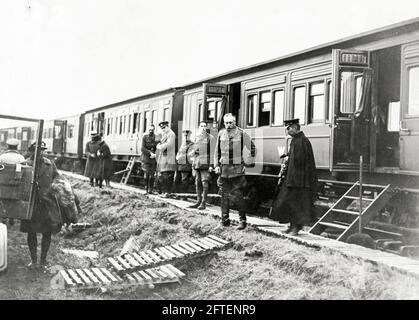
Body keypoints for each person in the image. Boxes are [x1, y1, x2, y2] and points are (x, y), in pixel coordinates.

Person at [269, 118, 318, 236]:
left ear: (295, 128)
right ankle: (292, 226)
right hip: (293, 178)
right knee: (290, 202)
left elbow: (299, 161)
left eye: (289, 128)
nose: (287, 131)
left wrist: (287, 159)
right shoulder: (297, 140)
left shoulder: (301, 141)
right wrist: (286, 156)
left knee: (297, 203)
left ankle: (296, 228)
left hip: (299, 180)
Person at [20, 141, 62, 271]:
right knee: (31, 233)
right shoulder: (25, 164)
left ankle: (43, 260)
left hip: (46, 204)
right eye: (38, 150)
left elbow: (57, 178)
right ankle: (33, 260)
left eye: (43, 150)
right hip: (32, 205)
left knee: (47, 233)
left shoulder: (50, 164)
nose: (41, 153)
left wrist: (55, 186)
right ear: (32, 151)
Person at [214, 113, 256, 230]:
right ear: (224, 123)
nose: (228, 125)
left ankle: (242, 221)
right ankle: (224, 221)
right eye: (226, 123)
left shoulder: (241, 133)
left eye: (231, 122)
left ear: (235, 122)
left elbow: (253, 148)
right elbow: (216, 152)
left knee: (238, 196)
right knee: (223, 195)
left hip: (237, 170)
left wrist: (247, 163)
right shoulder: (221, 133)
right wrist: (216, 165)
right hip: (223, 170)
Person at [189, 121, 215, 210]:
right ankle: (198, 201)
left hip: (205, 162)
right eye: (201, 126)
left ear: (207, 127)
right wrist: (193, 157)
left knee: (205, 182)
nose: (203, 127)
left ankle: (203, 203)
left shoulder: (210, 138)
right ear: (199, 127)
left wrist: (211, 165)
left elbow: (212, 152)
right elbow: (195, 150)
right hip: (197, 162)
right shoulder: (197, 137)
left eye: (205, 126)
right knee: (197, 182)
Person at [156, 121, 176, 197]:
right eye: (162, 128)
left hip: (168, 158)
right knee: (164, 176)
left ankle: (167, 192)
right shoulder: (165, 134)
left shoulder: (171, 134)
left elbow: (169, 144)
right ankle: (165, 192)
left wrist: (160, 146)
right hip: (164, 157)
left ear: (167, 126)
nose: (163, 129)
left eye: (164, 127)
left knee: (167, 176)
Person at [175, 130, 194, 195]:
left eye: (187, 135)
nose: (185, 137)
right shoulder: (182, 144)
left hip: (186, 165)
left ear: (189, 136)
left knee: (184, 180)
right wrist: (177, 156)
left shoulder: (192, 144)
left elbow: (191, 154)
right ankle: (177, 194)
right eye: (184, 136)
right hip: (179, 164)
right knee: (177, 179)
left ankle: (184, 194)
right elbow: (179, 152)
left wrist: (181, 156)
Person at [141, 124, 158, 194]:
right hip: (146, 159)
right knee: (146, 175)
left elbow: (158, 147)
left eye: (152, 130)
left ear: (154, 130)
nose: (151, 131)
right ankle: (146, 189)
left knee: (152, 175)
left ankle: (151, 189)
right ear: (148, 130)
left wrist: (155, 154)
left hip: (153, 159)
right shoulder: (145, 137)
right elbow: (142, 148)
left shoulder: (156, 138)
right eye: (150, 130)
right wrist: (149, 153)